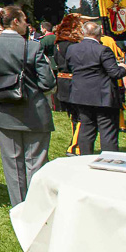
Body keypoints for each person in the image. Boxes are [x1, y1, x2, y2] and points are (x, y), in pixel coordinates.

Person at [0, 6, 56, 206]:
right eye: (24, 20)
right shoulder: (33, 46)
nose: (26, 24)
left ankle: (19, 207)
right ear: (15, 22)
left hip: (5, 110)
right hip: (34, 110)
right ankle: (37, 206)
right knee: (36, 162)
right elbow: (47, 82)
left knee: (12, 165)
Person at [65, 20, 126, 154]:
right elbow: (115, 73)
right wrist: (123, 68)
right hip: (102, 95)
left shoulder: (72, 49)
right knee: (107, 130)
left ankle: (85, 156)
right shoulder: (103, 50)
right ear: (100, 34)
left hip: (81, 94)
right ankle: (109, 159)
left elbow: (69, 67)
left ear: (83, 33)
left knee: (86, 127)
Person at [51, 14, 84, 153]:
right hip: (75, 82)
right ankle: (75, 146)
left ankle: (76, 142)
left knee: (74, 116)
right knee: (82, 116)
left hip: (63, 82)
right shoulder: (75, 45)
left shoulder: (58, 45)